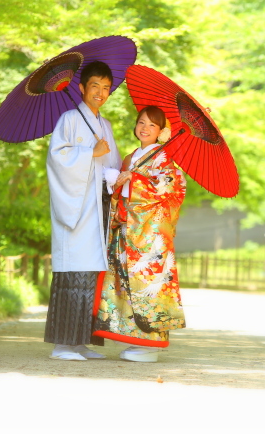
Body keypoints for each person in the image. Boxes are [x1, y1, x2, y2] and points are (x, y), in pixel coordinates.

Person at [93, 105, 187, 362]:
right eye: (141, 122)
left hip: (151, 236)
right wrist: (119, 184)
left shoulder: (165, 157)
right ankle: (135, 338)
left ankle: (151, 343)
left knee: (149, 286)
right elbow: (121, 193)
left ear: (161, 132)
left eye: (152, 125)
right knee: (126, 284)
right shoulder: (132, 156)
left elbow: (168, 188)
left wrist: (131, 181)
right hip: (128, 228)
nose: (145, 128)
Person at [44, 60, 122, 361]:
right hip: (75, 207)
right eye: (94, 86)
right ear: (81, 88)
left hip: (98, 207)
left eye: (105, 88)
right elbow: (57, 159)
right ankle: (62, 344)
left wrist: (116, 176)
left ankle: (80, 342)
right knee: (72, 270)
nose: (100, 93)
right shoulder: (68, 120)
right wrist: (90, 152)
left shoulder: (106, 126)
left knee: (91, 273)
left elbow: (111, 167)